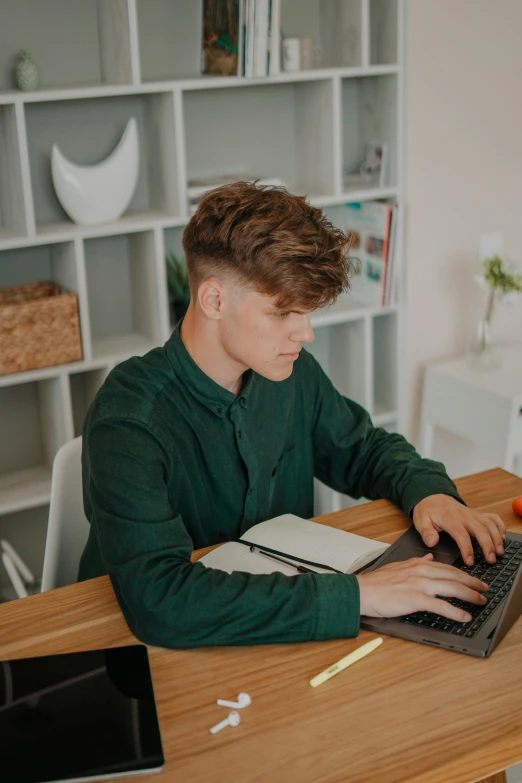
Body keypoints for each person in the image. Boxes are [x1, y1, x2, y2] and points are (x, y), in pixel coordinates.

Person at [78, 182, 506, 649]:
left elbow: (363, 450)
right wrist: (359, 596)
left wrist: (429, 492)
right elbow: (161, 601)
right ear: (214, 300)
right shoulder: (129, 419)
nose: (305, 334)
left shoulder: (287, 370)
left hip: (280, 634)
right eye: (283, 313)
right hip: (144, 659)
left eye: (307, 312)